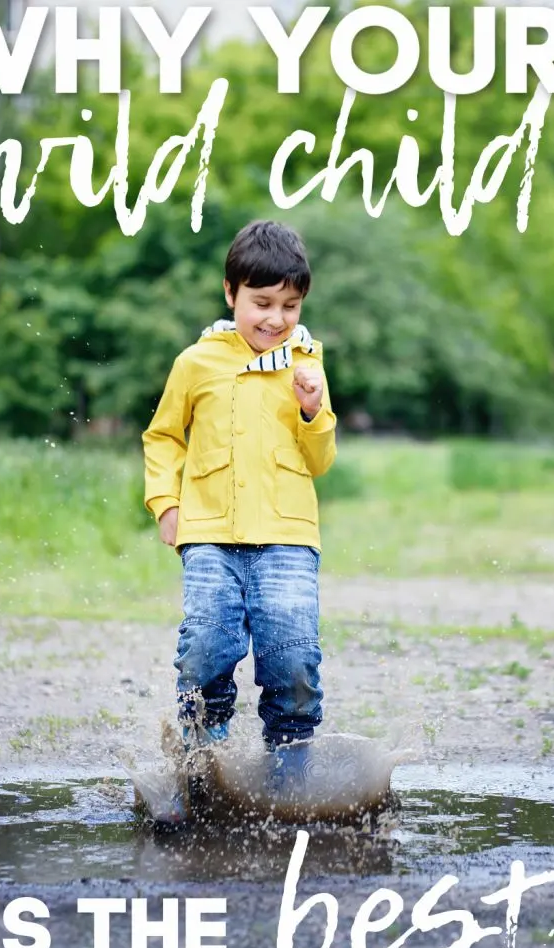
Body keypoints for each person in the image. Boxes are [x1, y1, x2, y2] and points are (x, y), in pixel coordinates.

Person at [142, 220, 337, 816]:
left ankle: (291, 768)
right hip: (209, 534)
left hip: (286, 535)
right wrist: (166, 505)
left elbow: (321, 459)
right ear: (231, 293)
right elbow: (163, 437)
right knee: (205, 645)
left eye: (289, 305)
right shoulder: (196, 362)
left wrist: (312, 410)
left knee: (292, 649)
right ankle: (200, 765)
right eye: (261, 303)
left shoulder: (307, 366)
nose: (275, 318)